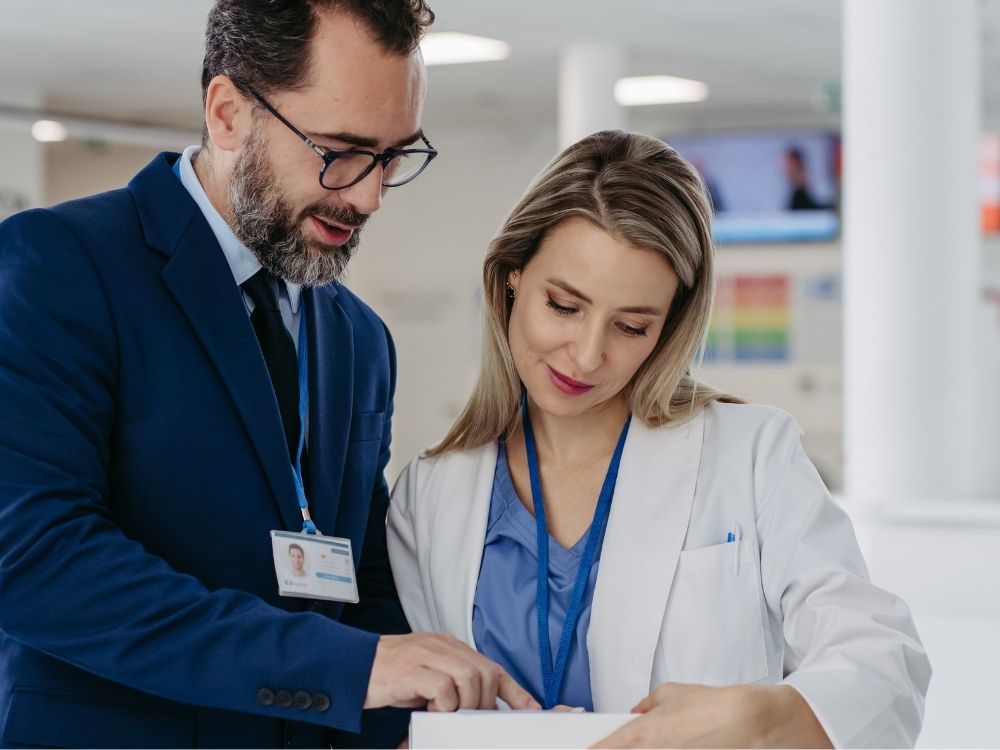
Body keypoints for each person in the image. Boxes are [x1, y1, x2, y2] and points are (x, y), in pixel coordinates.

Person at [0, 1, 536, 747]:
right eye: (341, 150)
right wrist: (348, 668)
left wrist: (476, 724)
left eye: (392, 157)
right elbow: (33, 557)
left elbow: (363, 586)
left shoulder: (357, 338)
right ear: (226, 113)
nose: (369, 195)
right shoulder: (59, 267)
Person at [387, 130, 931, 748]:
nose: (588, 356)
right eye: (564, 306)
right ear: (512, 277)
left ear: (669, 327)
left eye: (631, 326)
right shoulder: (429, 496)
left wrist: (758, 718)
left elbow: (885, 660)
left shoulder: (750, 456)